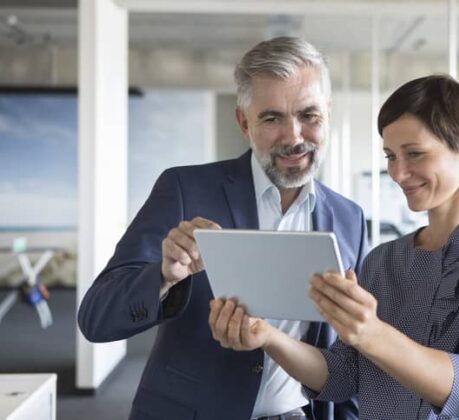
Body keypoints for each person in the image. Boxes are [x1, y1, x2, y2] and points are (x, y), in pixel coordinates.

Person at [209, 75, 459, 419]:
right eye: (390, 156)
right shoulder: (384, 261)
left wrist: (371, 333)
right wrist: (268, 336)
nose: (398, 173)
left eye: (414, 154)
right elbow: (343, 376)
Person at [77, 36, 368, 420]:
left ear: (327, 114)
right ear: (243, 122)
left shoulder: (349, 218)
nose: (294, 136)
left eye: (309, 115)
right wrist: (164, 277)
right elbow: (96, 318)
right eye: (272, 117)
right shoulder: (185, 190)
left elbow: (348, 353)